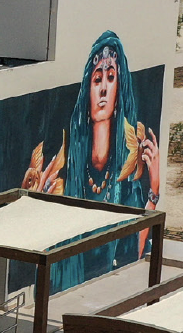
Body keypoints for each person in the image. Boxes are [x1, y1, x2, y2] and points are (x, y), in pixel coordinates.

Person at [22, 31, 161, 272]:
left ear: (119, 89)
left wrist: (154, 191)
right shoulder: (67, 167)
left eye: (110, 78)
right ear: (88, 88)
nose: (104, 90)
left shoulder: (126, 178)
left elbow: (132, 255)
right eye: (97, 80)